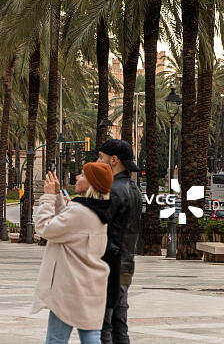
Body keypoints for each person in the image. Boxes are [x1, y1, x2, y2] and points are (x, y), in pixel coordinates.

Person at [31, 163, 113, 344]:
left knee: (56, 340)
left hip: (69, 288)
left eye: (83, 175)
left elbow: (44, 228)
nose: (77, 177)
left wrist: (47, 198)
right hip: (90, 286)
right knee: (91, 337)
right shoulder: (97, 210)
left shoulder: (80, 212)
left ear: (92, 183)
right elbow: (67, 224)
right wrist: (58, 196)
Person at [96, 139, 143, 344]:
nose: (98, 162)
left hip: (110, 265)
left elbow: (100, 226)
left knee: (104, 325)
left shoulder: (112, 190)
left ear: (113, 160)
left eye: (101, 157)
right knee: (119, 323)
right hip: (126, 264)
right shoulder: (134, 190)